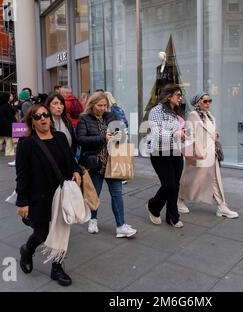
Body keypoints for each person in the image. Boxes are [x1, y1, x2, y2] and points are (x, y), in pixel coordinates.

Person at [15, 104, 82, 287]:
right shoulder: (26, 143)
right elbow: (22, 175)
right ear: (32, 121)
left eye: (45, 115)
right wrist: (22, 202)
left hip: (61, 194)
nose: (43, 118)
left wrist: (77, 171)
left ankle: (57, 268)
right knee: (41, 234)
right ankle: (27, 250)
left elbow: (70, 160)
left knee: (61, 232)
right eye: (37, 117)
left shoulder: (60, 138)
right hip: (39, 196)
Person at [76, 91, 137, 238]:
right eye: (99, 105)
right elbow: (81, 139)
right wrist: (102, 137)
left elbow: (122, 134)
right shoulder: (84, 119)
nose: (103, 108)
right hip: (95, 163)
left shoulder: (111, 116)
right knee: (94, 194)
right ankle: (93, 220)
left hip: (113, 162)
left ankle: (121, 226)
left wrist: (118, 136)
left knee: (117, 194)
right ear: (92, 104)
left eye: (105, 105)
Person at [177, 92, 239, 218]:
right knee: (191, 180)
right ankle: (179, 200)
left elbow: (210, 131)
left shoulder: (209, 115)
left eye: (209, 101)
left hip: (212, 154)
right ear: (198, 102)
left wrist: (215, 135)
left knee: (215, 180)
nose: (208, 104)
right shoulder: (193, 115)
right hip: (199, 155)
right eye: (205, 101)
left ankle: (222, 206)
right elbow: (189, 136)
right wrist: (193, 153)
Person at [145, 84, 184, 228]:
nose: (180, 98)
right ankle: (153, 206)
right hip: (159, 152)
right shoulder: (156, 111)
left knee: (175, 185)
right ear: (169, 96)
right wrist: (176, 134)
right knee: (169, 185)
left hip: (175, 152)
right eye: (178, 95)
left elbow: (181, 131)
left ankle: (172, 217)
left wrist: (185, 135)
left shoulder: (177, 111)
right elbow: (157, 133)